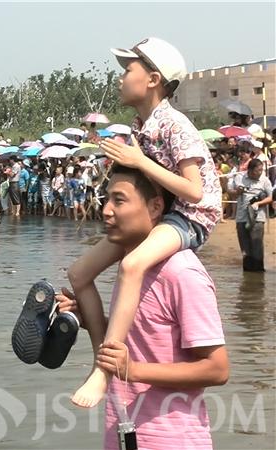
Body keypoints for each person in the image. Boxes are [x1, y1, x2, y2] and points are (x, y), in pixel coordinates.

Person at [70, 37, 222, 408]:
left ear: (153, 79)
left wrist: (140, 163)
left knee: (133, 264)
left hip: (190, 217)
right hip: (163, 213)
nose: (121, 78)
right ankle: (100, 361)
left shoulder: (175, 124)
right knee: (79, 273)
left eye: (128, 71)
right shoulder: (141, 125)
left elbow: (194, 191)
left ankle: (104, 373)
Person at [56, 164, 229, 449]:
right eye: (107, 199)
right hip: (122, 433)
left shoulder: (181, 272)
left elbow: (217, 369)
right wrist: (89, 317)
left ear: (155, 207)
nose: (107, 210)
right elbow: (149, 333)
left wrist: (132, 369)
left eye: (119, 200)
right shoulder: (132, 269)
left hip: (172, 440)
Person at [229, 159, 273, 272]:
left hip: (257, 218)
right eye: (258, 170)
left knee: (257, 246)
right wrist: (237, 191)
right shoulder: (239, 178)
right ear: (250, 170)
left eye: (261, 170)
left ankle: (258, 272)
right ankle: (248, 274)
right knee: (245, 249)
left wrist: (258, 203)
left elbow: (271, 197)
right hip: (241, 217)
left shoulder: (264, 180)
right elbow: (231, 193)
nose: (260, 172)